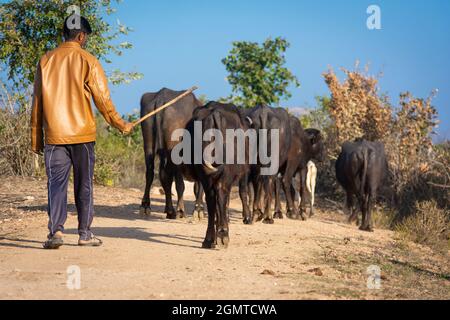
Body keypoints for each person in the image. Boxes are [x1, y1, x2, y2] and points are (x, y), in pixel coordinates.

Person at [30, 15, 134, 249]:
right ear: (81, 36)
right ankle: (85, 234)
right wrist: (121, 124)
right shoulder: (89, 60)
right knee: (83, 185)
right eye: (85, 37)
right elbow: (103, 101)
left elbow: (37, 102)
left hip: (54, 136)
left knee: (55, 185)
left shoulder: (45, 60)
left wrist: (36, 139)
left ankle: (55, 232)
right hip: (82, 136)